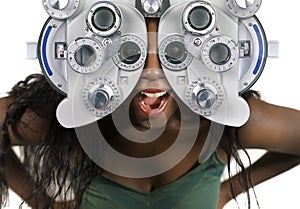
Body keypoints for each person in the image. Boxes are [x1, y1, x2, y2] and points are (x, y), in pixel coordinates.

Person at [1, 6, 300, 209]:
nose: (152, 72)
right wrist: (41, 202)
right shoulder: (68, 121)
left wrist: (229, 191)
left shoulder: (228, 124)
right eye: (131, 52)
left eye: (174, 52)